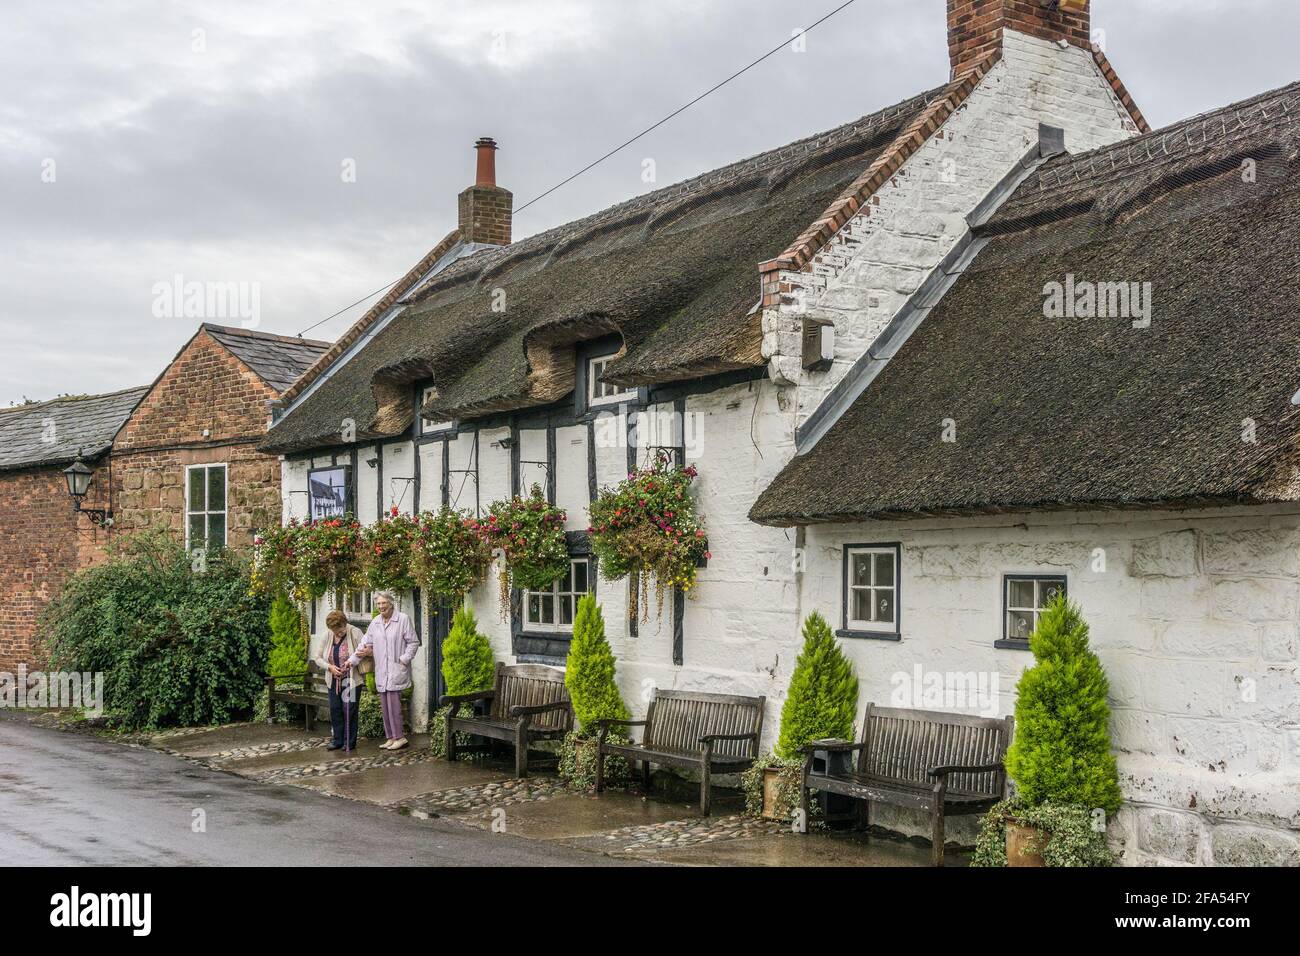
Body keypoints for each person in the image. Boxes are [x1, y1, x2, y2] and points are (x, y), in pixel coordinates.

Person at [348, 591, 419, 749]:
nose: (381, 606)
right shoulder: (375, 622)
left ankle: (400, 737)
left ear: (391, 603)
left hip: (396, 669)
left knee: (394, 706)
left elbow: (413, 642)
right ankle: (391, 737)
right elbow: (364, 644)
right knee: (385, 706)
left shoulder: (402, 619)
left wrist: (404, 659)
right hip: (382, 670)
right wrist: (351, 661)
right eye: (378, 604)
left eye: (383, 603)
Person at [313, 610, 366, 752]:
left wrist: (352, 662)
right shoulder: (328, 635)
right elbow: (318, 658)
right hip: (333, 680)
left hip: (351, 680)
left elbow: (364, 652)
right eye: (334, 631)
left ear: (345, 623)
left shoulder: (355, 632)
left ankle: (349, 742)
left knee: (349, 710)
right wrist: (330, 667)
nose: (338, 633)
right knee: (335, 709)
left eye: (340, 630)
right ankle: (337, 740)